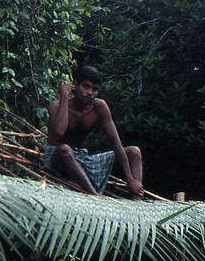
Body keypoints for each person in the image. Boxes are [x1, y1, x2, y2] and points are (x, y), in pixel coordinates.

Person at [44, 65, 144, 199]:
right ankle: (94, 196)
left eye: (95, 89)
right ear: (76, 85)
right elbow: (58, 134)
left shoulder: (99, 107)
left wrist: (130, 180)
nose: (90, 92)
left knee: (134, 152)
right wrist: (64, 97)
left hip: (83, 159)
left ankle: (137, 201)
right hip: (57, 159)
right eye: (86, 86)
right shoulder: (55, 106)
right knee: (65, 149)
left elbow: (115, 142)